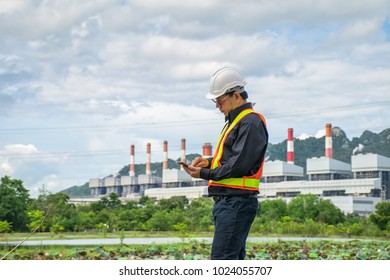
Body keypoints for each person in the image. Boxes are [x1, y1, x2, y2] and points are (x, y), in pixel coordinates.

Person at [183, 66, 268, 260]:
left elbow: (239, 166)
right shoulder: (235, 122)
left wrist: (203, 174)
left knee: (222, 261)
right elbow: (229, 160)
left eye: (220, 101)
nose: (217, 106)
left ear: (236, 96)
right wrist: (208, 163)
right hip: (230, 203)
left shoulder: (249, 122)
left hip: (236, 202)